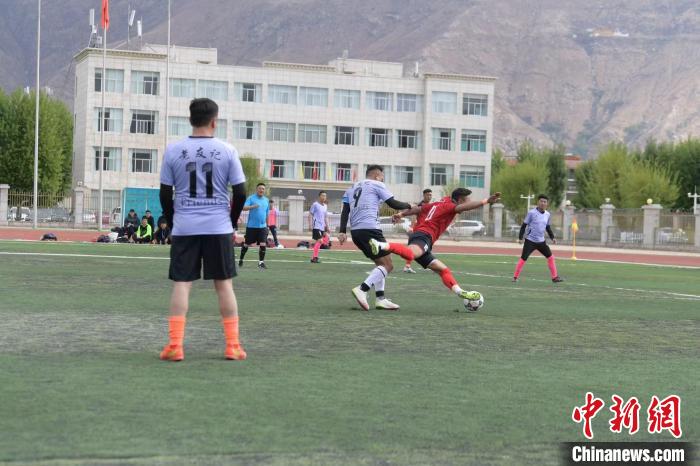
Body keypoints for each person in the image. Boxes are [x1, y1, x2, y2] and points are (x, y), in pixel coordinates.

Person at [158, 97, 247, 362]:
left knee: (182, 285)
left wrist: (173, 221)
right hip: (218, 226)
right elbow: (241, 192)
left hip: (185, 227)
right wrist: (231, 221)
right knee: (224, 285)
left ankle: (175, 345)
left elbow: (165, 194)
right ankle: (232, 346)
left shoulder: (173, 150)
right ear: (214, 122)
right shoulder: (227, 150)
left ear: (190, 119)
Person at [370, 188, 501, 307]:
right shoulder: (450, 206)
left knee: (443, 270)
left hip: (422, 236)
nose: (469, 202)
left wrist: (401, 214)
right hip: (424, 235)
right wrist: (486, 201)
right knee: (410, 254)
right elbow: (465, 207)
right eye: (468, 200)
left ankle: (460, 292)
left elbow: (418, 209)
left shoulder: (439, 203)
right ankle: (381, 245)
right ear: (461, 200)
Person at [338, 165, 413, 311]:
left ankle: (380, 299)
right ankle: (362, 289)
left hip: (356, 232)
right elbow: (393, 203)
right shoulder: (377, 184)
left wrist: (342, 231)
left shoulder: (352, 187)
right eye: (382, 176)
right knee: (388, 266)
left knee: (381, 264)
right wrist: (410, 205)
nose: (383, 179)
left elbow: (345, 211)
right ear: (377, 176)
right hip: (370, 229)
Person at [513, 194, 563, 283]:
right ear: (538, 202)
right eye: (541, 201)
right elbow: (524, 226)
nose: (543, 203)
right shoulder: (531, 213)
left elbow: (547, 227)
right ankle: (515, 277)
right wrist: (520, 238)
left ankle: (554, 277)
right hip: (530, 241)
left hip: (541, 242)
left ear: (547, 204)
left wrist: (552, 237)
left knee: (551, 257)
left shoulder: (547, 214)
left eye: (545, 202)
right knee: (523, 258)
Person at [239, 183, 270, 269]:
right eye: (260, 188)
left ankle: (261, 263)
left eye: (263, 189)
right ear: (257, 189)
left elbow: (267, 214)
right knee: (246, 244)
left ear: (264, 190)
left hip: (263, 227)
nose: (261, 190)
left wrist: (267, 226)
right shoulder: (251, 198)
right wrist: (253, 206)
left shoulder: (266, 200)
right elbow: (243, 208)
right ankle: (241, 259)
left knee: (263, 244)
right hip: (251, 227)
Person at [403, 188, 433, 274]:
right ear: (424, 195)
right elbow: (413, 216)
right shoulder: (420, 205)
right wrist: (412, 227)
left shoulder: (431, 205)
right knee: (414, 248)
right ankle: (407, 266)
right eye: (428, 195)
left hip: (427, 230)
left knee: (426, 248)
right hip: (420, 230)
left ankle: (429, 264)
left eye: (430, 195)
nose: (429, 196)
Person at [309, 191, 330, 263]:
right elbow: (310, 214)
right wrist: (310, 225)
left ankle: (314, 256)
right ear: (319, 196)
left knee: (322, 240)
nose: (324, 197)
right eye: (322, 195)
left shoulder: (325, 206)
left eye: (325, 196)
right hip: (316, 226)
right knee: (320, 241)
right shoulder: (315, 204)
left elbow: (325, 217)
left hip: (322, 227)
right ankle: (315, 258)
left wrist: (327, 226)